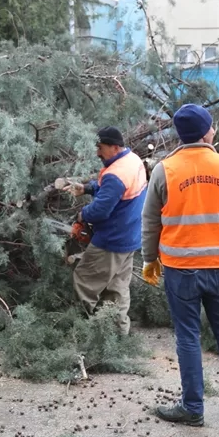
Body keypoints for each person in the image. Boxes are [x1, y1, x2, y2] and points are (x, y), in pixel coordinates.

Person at [141, 104, 219, 427]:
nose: (215, 130)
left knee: (188, 336)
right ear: (206, 132)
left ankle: (193, 407)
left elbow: (149, 221)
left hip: (181, 270)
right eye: (212, 126)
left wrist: (149, 260)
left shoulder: (165, 170)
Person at [61, 126, 147, 334]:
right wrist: (88, 188)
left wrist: (83, 214)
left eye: (100, 148)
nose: (98, 153)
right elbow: (115, 191)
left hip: (111, 240)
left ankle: (85, 333)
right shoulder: (132, 160)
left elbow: (100, 210)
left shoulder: (116, 174)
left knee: (84, 281)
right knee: (116, 289)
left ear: (115, 147)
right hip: (130, 237)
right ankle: (117, 336)